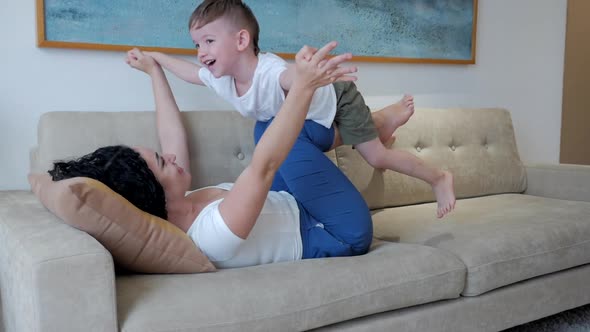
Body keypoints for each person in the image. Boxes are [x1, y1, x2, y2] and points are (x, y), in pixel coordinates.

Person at [50, 42, 374, 269]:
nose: (171, 158)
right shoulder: (210, 236)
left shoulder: (178, 198)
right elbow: (264, 166)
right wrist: (303, 85)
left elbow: (172, 134)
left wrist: (154, 71)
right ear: (152, 193)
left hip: (293, 201)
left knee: (266, 127)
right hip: (336, 230)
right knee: (269, 129)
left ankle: (369, 130)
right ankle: (372, 129)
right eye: (163, 163)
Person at [139, 0, 456, 218]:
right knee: (284, 135)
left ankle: (439, 177)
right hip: (308, 122)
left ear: (241, 40)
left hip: (337, 100)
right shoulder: (221, 78)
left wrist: (304, 71)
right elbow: (189, 72)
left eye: (208, 41)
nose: (201, 53)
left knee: (377, 156)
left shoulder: (268, 71)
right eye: (197, 45)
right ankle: (382, 123)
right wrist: (155, 58)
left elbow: (288, 78)